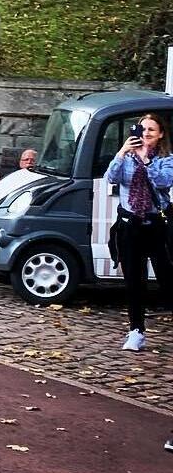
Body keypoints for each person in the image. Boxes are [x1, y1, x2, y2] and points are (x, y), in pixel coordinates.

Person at [104, 113, 173, 351]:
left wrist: (146, 162)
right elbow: (111, 178)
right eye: (142, 129)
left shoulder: (166, 159)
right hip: (129, 224)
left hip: (156, 225)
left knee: (167, 278)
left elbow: (164, 182)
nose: (145, 134)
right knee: (134, 280)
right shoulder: (127, 156)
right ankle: (136, 331)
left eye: (151, 130)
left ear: (161, 134)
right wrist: (122, 153)